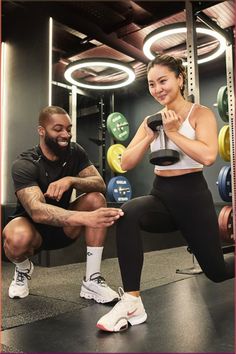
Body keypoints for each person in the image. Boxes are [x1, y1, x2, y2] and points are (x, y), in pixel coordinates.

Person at [96, 54, 235, 332]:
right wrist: (148, 135)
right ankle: (133, 301)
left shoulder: (200, 114)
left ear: (179, 79)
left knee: (217, 272)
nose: (158, 89)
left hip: (193, 199)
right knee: (129, 213)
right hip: (162, 195)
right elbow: (125, 162)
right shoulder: (150, 120)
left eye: (163, 81)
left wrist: (173, 133)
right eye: (151, 84)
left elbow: (208, 156)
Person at [3, 106, 124, 302]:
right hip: (32, 230)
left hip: (64, 227)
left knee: (95, 198)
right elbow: (37, 212)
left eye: (68, 128)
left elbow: (99, 183)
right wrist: (87, 218)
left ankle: (92, 281)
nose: (66, 134)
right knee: (16, 237)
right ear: (41, 131)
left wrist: (71, 180)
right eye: (58, 129)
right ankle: (23, 269)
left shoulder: (75, 152)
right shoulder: (25, 163)